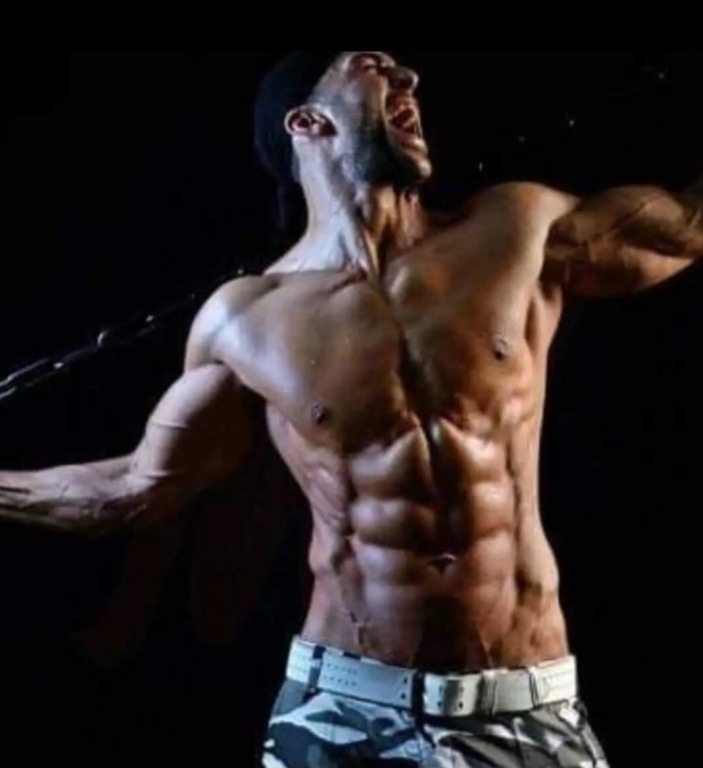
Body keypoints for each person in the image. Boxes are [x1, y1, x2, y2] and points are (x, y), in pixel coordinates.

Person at [1, 50, 702, 767]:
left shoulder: (517, 231)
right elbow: (138, 488)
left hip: (520, 702)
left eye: (405, 71)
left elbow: (682, 229)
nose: (410, 80)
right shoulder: (245, 319)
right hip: (344, 712)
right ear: (307, 121)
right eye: (373, 67)